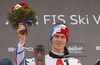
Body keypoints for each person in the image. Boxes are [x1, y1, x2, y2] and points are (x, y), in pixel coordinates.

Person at [15, 22, 82, 65]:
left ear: (66, 40)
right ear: (51, 39)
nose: (59, 40)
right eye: (56, 36)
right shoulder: (39, 60)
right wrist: (22, 39)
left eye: (63, 37)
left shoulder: (75, 62)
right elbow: (20, 63)